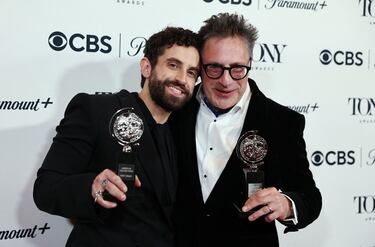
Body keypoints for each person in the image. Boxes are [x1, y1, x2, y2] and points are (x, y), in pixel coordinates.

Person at [33, 26, 200, 247]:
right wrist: (91, 187)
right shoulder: (97, 110)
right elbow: (46, 189)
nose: (182, 79)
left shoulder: (185, 129)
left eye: (191, 72)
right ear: (146, 67)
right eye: (173, 65)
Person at [170, 13, 322, 247]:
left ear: (250, 62)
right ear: (200, 65)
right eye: (214, 68)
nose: (226, 81)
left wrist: (286, 203)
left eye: (238, 68)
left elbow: (309, 197)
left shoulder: (282, 122)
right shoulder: (174, 110)